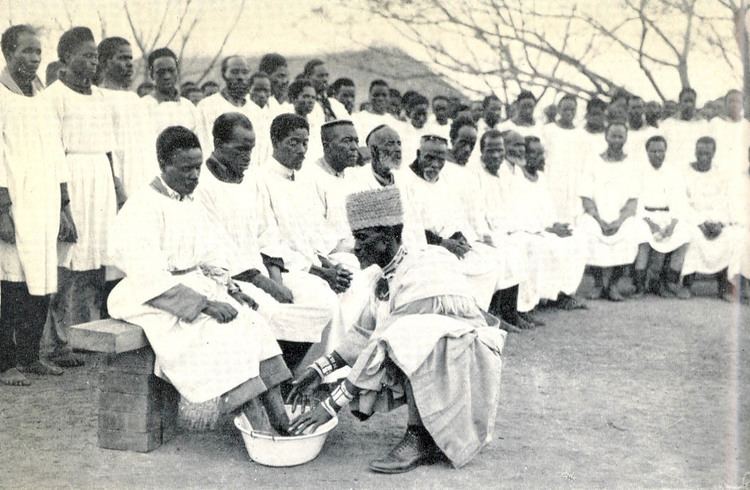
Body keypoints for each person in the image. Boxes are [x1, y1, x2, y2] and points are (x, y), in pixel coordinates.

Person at [286, 186, 506, 474]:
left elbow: (384, 341)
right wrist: (318, 370)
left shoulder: (425, 266)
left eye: (362, 238)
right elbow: (364, 332)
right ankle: (426, 433)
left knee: (409, 334)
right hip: (436, 357)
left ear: (388, 236)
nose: (356, 247)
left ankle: (419, 437)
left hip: (466, 359)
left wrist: (330, 405)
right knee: (402, 336)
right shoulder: (385, 273)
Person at [107, 125, 292, 435]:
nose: (195, 176)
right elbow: (146, 275)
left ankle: (280, 415)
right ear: (162, 164)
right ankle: (259, 426)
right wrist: (205, 305)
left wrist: (233, 291)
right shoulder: (141, 207)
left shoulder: (188, 202)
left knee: (253, 323)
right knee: (224, 335)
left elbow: (210, 254)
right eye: (186, 169)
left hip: (192, 288)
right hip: (152, 298)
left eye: (197, 167)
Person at [194, 112, 339, 371]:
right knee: (270, 315)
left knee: (320, 307)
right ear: (217, 143)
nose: (247, 157)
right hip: (226, 279)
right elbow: (215, 247)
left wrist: (276, 279)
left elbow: (266, 233)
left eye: (250, 149)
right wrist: (266, 284)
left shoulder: (251, 181)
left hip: (261, 272)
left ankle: (291, 378)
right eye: (240, 149)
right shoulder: (202, 185)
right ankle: (268, 383)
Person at [0, 25, 72, 384]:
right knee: (13, 283)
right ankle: (6, 363)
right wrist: (2, 211)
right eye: (26, 51)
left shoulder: (42, 97)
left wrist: (63, 205)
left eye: (37, 53)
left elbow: (57, 152)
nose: (33, 59)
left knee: (42, 281)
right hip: (16, 204)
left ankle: (30, 357)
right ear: (7, 52)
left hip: (44, 204)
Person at [43, 26, 118, 367]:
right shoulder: (53, 96)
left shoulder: (103, 98)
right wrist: (62, 203)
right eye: (86, 56)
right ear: (66, 58)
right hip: (69, 178)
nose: (93, 62)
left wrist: (117, 187)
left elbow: (109, 150)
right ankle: (58, 342)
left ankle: (88, 333)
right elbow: (51, 151)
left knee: (97, 261)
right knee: (66, 262)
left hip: (99, 180)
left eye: (96, 56)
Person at [404, 133, 529, 328]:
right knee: (448, 265)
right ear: (419, 154)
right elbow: (410, 227)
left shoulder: (442, 181)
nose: (435, 164)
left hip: (448, 242)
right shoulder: (406, 181)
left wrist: (459, 236)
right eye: (430, 157)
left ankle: (481, 315)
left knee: (487, 259)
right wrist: (443, 243)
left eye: (441, 159)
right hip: (423, 247)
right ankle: (462, 318)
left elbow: (453, 215)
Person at [577, 123, 645, 301]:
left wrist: (619, 221)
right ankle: (599, 284)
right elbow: (586, 196)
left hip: (621, 216)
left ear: (626, 138)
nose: (616, 140)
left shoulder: (632, 164)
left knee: (631, 231)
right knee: (586, 228)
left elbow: (632, 200)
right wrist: (598, 219)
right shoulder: (592, 161)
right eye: (613, 136)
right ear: (606, 137)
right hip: (596, 214)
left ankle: (613, 284)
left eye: (620, 136)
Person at [521, 136, 588, 309]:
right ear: (524, 154)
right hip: (530, 230)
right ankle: (541, 297)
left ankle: (564, 293)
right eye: (534, 153)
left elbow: (548, 209)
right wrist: (548, 229)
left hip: (547, 227)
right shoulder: (517, 179)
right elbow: (521, 213)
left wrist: (556, 224)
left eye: (541, 153)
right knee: (547, 245)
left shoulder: (541, 178)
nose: (539, 157)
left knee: (578, 239)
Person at [96, 37, 157, 200]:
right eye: (122, 58)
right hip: (117, 180)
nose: (129, 64)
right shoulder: (98, 97)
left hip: (142, 177)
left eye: (130, 58)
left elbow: (147, 147)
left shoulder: (135, 99)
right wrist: (117, 188)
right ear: (104, 62)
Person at [633, 136, 691, 298]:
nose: (657, 155)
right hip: (645, 217)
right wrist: (652, 224)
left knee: (683, 234)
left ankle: (668, 282)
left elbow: (679, 201)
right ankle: (639, 285)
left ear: (665, 152)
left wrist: (672, 225)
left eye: (660, 151)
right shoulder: (639, 172)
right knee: (644, 238)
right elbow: (637, 201)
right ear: (647, 152)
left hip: (668, 215)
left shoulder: (673, 172)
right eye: (653, 151)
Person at [680, 137, 737, 301]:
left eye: (707, 153)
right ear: (694, 152)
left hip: (716, 220)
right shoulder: (685, 173)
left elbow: (725, 202)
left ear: (714, 154)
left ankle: (724, 285)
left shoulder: (720, 174)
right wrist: (700, 223)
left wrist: (719, 223)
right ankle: (687, 283)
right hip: (694, 221)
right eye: (700, 153)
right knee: (692, 236)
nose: (703, 156)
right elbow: (683, 203)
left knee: (729, 236)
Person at [195, 55, 254, 155]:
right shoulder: (207, 106)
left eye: (245, 72)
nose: (240, 77)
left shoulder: (255, 110)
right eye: (234, 72)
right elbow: (204, 144)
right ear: (224, 74)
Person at [541, 94, 585, 224]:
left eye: (572, 110)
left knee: (573, 216)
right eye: (565, 109)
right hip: (553, 177)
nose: (569, 113)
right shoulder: (548, 130)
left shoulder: (581, 134)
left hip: (574, 179)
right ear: (559, 110)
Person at [143, 47, 201, 135]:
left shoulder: (189, 107)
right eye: (161, 72)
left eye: (171, 71)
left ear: (177, 71)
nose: (167, 76)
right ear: (152, 74)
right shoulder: (143, 106)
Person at [301, 59, 348, 124]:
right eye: (320, 76)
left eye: (327, 75)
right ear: (307, 77)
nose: (325, 79)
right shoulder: (304, 105)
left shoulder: (335, 104)